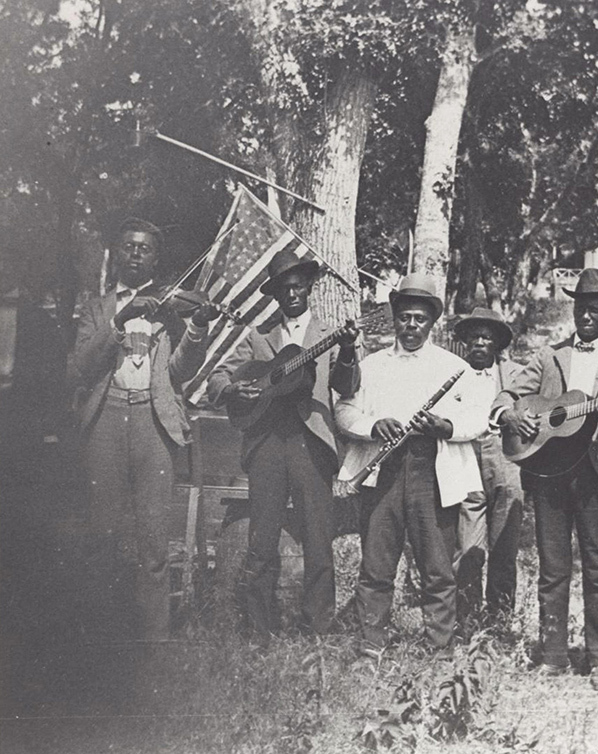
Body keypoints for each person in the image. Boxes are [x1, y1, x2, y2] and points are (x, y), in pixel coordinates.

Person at [490, 269, 598, 692]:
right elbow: (508, 394)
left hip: (596, 474)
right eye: (581, 307)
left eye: (595, 309)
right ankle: (553, 656)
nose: (587, 316)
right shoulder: (549, 355)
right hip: (549, 474)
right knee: (552, 569)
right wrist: (511, 415)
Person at [70, 217, 219, 640]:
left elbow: (182, 372)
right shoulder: (97, 306)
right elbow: (79, 367)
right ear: (117, 253)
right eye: (129, 246)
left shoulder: (170, 307)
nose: (136, 254)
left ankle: (155, 641)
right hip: (105, 419)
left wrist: (198, 326)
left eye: (145, 248)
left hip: (153, 422)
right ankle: (100, 636)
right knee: (102, 532)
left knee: (154, 539)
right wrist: (120, 323)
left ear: (156, 258)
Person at [207, 249, 359, 645]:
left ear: (309, 287)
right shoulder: (259, 335)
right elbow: (218, 375)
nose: (292, 294)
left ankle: (317, 632)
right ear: (275, 294)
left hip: (311, 443)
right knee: (262, 540)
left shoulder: (328, 334)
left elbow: (348, 387)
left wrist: (346, 350)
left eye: (298, 286)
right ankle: (257, 630)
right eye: (283, 289)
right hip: (267, 442)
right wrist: (231, 388)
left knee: (317, 539)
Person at [334, 273, 484, 657]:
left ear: (432, 321)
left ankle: (439, 648)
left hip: (431, 468)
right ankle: (372, 646)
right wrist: (373, 425)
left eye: (419, 318)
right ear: (395, 318)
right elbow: (344, 411)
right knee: (377, 563)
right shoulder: (373, 364)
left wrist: (445, 426)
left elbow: (478, 419)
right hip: (383, 469)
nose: (411, 326)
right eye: (404, 317)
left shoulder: (456, 367)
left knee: (437, 566)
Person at [450, 307, 524, 629]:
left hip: (505, 456)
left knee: (505, 546)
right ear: (465, 341)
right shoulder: (453, 374)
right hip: (465, 454)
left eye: (487, 337)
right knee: (468, 547)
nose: (479, 342)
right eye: (474, 337)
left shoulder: (516, 374)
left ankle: (500, 622)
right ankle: (466, 620)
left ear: (497, 344)